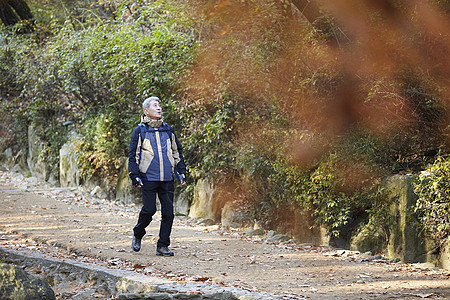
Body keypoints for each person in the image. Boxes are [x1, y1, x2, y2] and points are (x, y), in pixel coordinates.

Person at [128, 96, 186, 256]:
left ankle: (162, 246)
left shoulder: (168, 129)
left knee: (168, 213)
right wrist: (135, 175)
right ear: (146, 111)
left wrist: (181, 171)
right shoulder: (140, 130)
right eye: (155, 105)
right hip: (148, 178)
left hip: (167, 178)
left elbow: (176, 151)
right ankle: (138, 233)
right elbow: (133, 155)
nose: (159, 108)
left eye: (159, 105)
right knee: (149, 210)